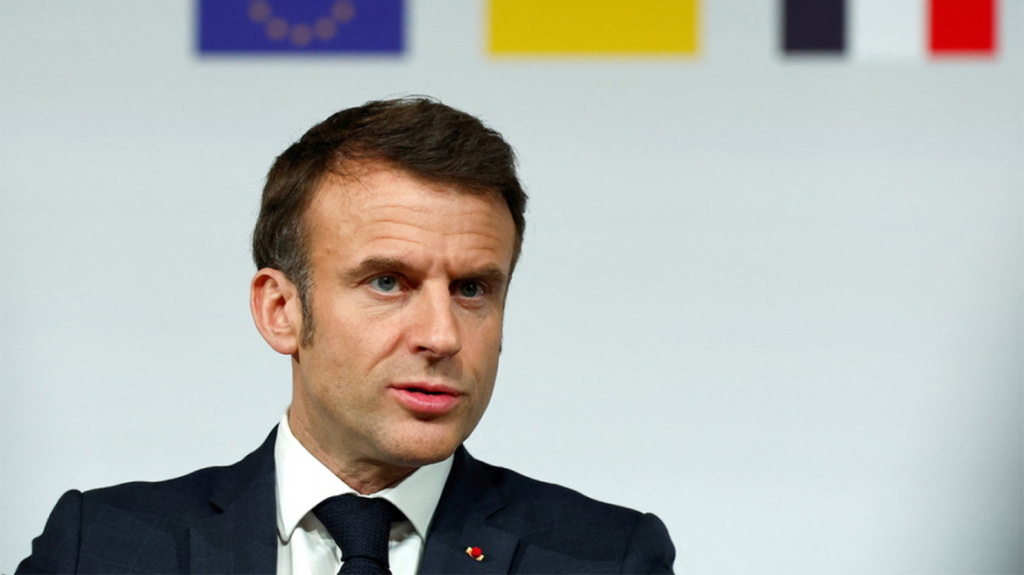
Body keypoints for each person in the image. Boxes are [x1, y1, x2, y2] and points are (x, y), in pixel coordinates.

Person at [17, 97, 675, 574]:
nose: (443, 335)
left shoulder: (606, 557)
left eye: (472, 288)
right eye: (388, 282)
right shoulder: (99, 547)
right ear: (281, 310)